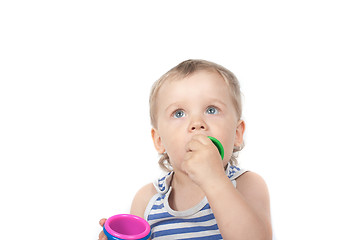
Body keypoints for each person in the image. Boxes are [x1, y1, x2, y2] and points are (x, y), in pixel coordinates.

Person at [98, 59, 272, 240]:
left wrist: (214, 179)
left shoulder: (246, 185)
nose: (197, 123)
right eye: (179, 113)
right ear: (159, 141)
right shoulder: (147, 200)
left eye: (211, 110)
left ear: (237, 133)